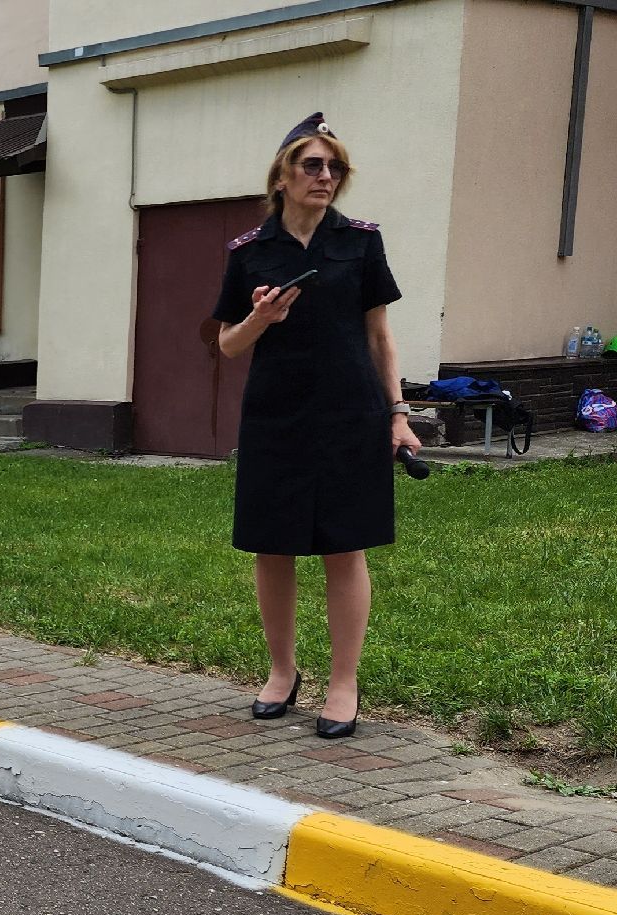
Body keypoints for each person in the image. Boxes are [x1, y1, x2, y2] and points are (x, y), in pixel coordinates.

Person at [214, 112, 412, 740]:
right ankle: (281, 672)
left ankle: (343, 683)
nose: (326, 176)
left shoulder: (361, 242)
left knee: (343, 545)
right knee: (272, 545)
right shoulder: (250, 252)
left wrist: (398, 413)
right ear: (282, 176)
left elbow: (380, 337)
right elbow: (227, 344)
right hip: (276, 415)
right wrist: (260, 320)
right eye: (313, 165)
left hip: (351, 412)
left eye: (335, 168)